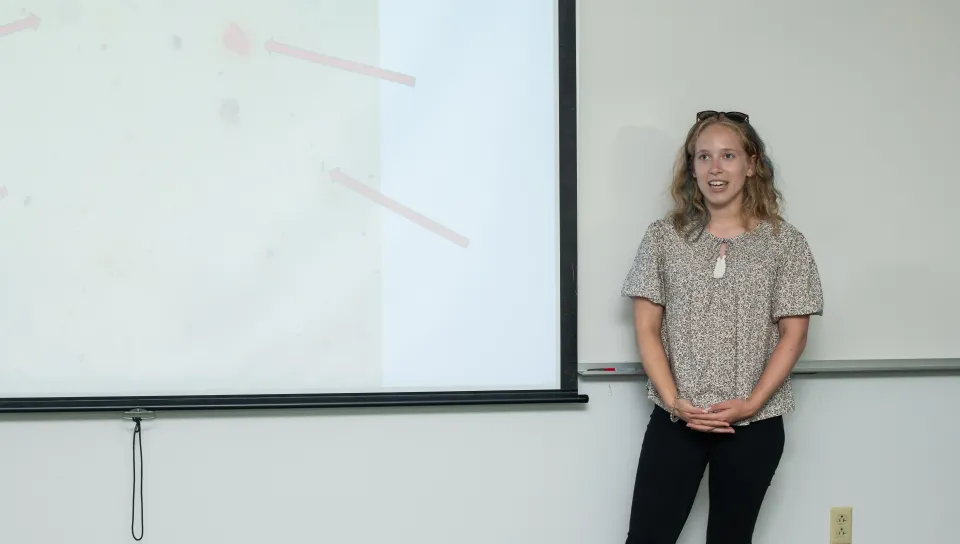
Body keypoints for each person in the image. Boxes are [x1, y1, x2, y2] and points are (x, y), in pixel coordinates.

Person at [620, 110, 824, 544]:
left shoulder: (785, 243)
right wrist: (676, 401)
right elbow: (646, 330)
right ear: (691, 169)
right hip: (677, 421)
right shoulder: (662, 237)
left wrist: (750, 404)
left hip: (754, 425)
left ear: (751, 164)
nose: (715, 168)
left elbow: (794, 334)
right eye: (703, 157)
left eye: (728, 155)